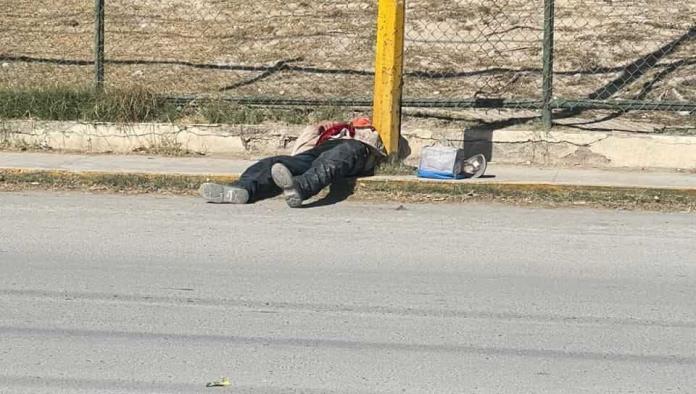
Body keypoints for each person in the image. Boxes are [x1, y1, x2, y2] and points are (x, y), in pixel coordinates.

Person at [198, 117, 385, 208]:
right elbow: (299, 151)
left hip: (354, 152)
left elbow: (381, 150)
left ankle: (300, 188)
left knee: (335, 157)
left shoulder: (368, 136)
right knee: (275, 162)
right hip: (316, 153)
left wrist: (362, 129)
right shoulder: (326, 135)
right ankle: (243, 189)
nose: (361, 119)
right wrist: (319, 127)